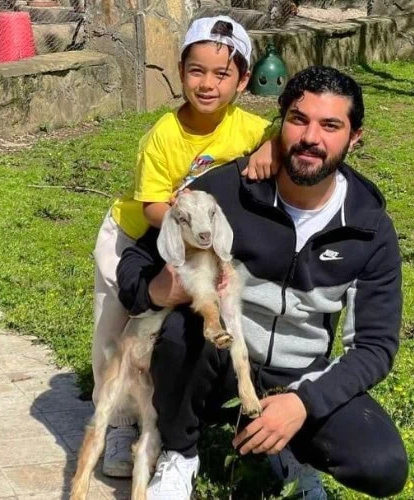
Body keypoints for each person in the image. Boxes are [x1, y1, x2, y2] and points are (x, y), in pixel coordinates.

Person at [118, 66, 409, 499]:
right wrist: (155, 290)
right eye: (298, 119)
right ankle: (180, 453)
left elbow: (375, 346)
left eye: (330, 126)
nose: (311, 137)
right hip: (218, 361)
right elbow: (137, 259)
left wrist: (303, 403)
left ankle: (289, 446)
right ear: (280, 122)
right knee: (181, 330)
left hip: (299, 374)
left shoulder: (368, 228)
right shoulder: (226, 191)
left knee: (382, 465)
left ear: (355, 138)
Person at [91, 15, 279, 478]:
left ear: (243, 80)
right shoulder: (163, 134)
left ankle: (176, 409)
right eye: (197, 71)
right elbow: (153, 206)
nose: (207, 84)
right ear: (180, 71)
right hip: (135, 235)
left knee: (172, 329)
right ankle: (119, 424)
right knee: (114, 329)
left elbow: (281, 131)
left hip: (196, 245)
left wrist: (269, 147)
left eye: (222, 74)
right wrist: (189, 224)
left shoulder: (250, 128)